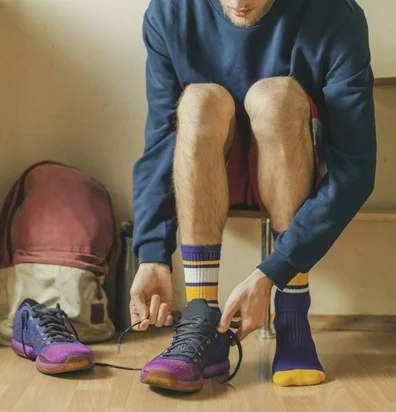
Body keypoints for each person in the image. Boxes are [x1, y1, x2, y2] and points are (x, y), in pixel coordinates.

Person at [130, 0, 377, 392]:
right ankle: (200, 319)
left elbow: (356, 171)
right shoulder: (169, 13)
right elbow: (161, 141)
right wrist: (152, 254)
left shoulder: (336, 15)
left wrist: (273, 272)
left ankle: (293, 316)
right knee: (196, 101)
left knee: (275, 97)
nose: (240, 2)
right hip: (208, 170)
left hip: (291, 161)